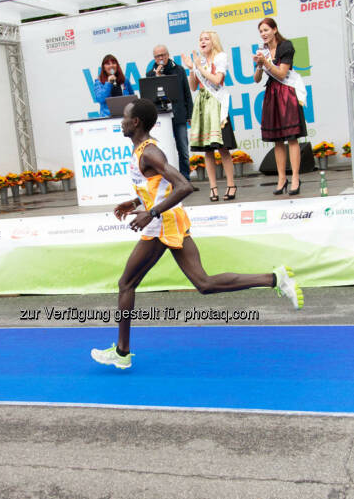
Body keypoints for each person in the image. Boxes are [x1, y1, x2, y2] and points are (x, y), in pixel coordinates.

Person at [91, 99, 304, 369]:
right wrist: (135, 204)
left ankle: (122, 354)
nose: (121, 121)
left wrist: (151, 213)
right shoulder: (139, 152)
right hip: (168, 220)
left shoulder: (150, 152)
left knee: (126, 283)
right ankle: (275, 278)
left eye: (125, 117)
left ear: (136, 123)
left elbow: (184, 186)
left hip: (163, 224)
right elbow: (157, 188)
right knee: (203, 284)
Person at [253, 18, 307, 196]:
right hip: (271, 94)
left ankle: (296, 178)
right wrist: (260, 66)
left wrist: (266, 62)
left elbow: (283, 74)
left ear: (275, 30)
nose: (263, 33)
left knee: (291, 138)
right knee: (277, 140)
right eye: (261, 31)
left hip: (286, 94)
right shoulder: (263, 51)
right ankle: (281, 178)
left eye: (266, 30)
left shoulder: (286, 46)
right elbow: (256, 79)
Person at [182, 31, 237, 203]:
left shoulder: (220, 57)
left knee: (223, 147)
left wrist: (199, 67)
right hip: (202, 104)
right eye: (201, 39)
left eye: (206, 39)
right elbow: (192, 86)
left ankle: (231, 184)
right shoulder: (200, 61)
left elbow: (217, 80)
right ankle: (213, 187)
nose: (203, 42)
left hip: (216, 103)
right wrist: (192, 69)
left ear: (213, 42)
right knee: (207, 149)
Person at [146, 45, 196, 188]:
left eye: (163, 55)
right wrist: (157, 77)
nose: (161, 58)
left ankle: (186, 180)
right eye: (157, 56)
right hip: (161, 118)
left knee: (183, 148)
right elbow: (150, 96)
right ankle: (168, 182)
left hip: (178, 114)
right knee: (164, 149)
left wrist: (189, 114)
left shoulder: (178, 69)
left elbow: (187, 92)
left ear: (168, 55)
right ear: (154, 58)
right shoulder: (151, 74)